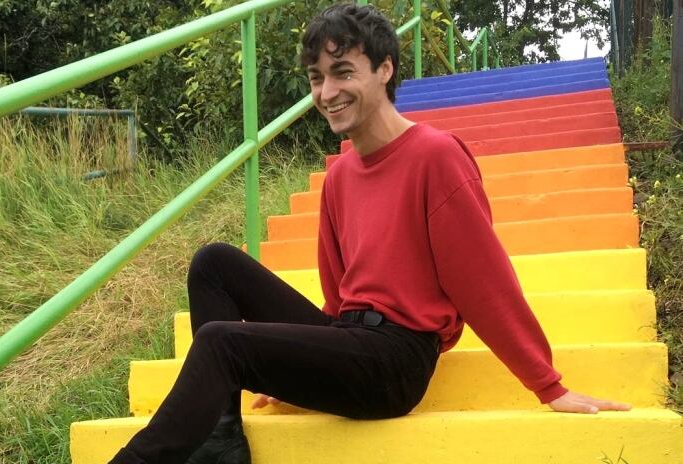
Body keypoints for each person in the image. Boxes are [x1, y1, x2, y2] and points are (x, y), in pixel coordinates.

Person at [108, 4, 632, 463]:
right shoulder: (339, 175)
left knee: (222, 342)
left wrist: (548, 385)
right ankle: (221, 440)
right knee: (214, 262)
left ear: (385, 70)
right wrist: (298, 361)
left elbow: (483, 282)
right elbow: (339, 295)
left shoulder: (435, 156)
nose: (326, 92)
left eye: (342, 72)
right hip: (351, 341)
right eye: (316, 77)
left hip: (397, 362)